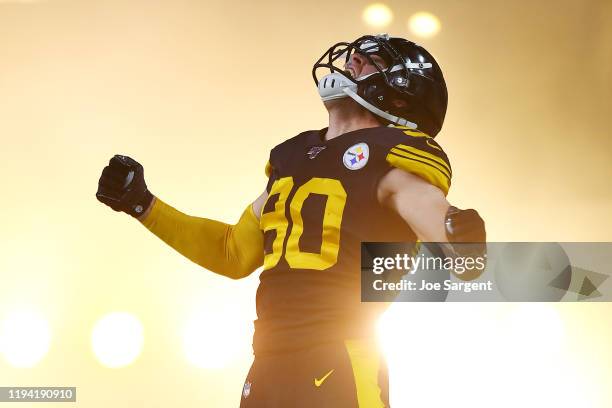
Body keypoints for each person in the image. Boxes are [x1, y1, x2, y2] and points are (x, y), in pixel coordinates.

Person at [96, 34, 486, 408]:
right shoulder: (297, 156)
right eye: (357, 54)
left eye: (373, 60)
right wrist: (144, 206)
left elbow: (447, 233)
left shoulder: (396, 164)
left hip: (339, 360)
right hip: (267, 363)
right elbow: (232, 253)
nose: (354, 60)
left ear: (402, 99)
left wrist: (463, 241)